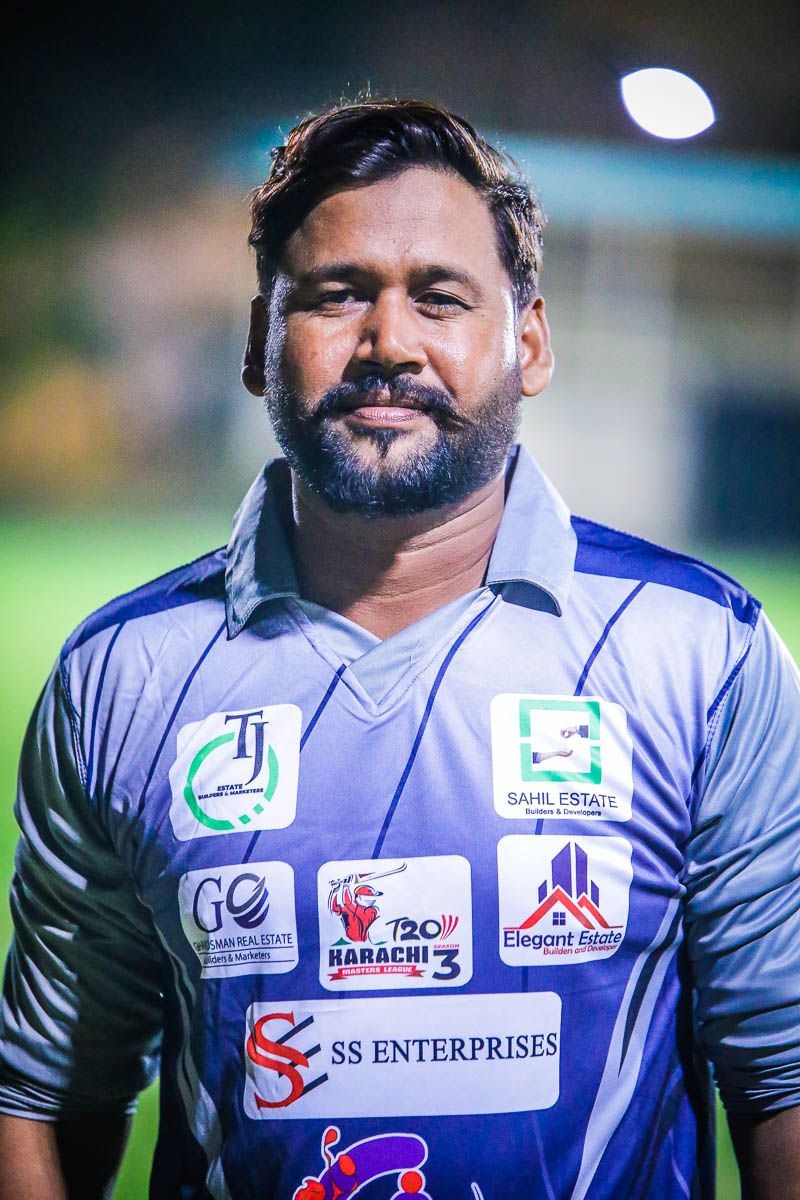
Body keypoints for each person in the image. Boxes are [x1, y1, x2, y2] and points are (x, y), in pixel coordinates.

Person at [0, 98, 798, 1200]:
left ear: (528, 342)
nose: (387, 342)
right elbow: (47, 1092)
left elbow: (783, 1071)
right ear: (258, 344)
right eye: (336, 295)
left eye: (439, 297)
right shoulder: (121, 678)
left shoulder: (700, 652)